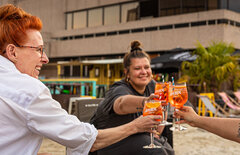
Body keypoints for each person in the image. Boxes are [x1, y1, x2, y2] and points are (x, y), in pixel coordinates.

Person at [0, 4, 161, 154]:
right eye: (39, 50)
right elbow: (87, 139)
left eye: (146, 67)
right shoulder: (28, 90)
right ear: (13, 52)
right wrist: (136, 126)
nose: (45, 58)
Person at [90, 40, 175, 155]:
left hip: (136, 137)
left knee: (167, 150)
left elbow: (157, 127)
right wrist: (145, 101)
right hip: (108, 142)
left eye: (146, 67)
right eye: (137, 68)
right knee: (156, 151)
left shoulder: (154, 86)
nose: (143, 72)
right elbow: (121, 104)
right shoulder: (119, 88)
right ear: (127, 73)